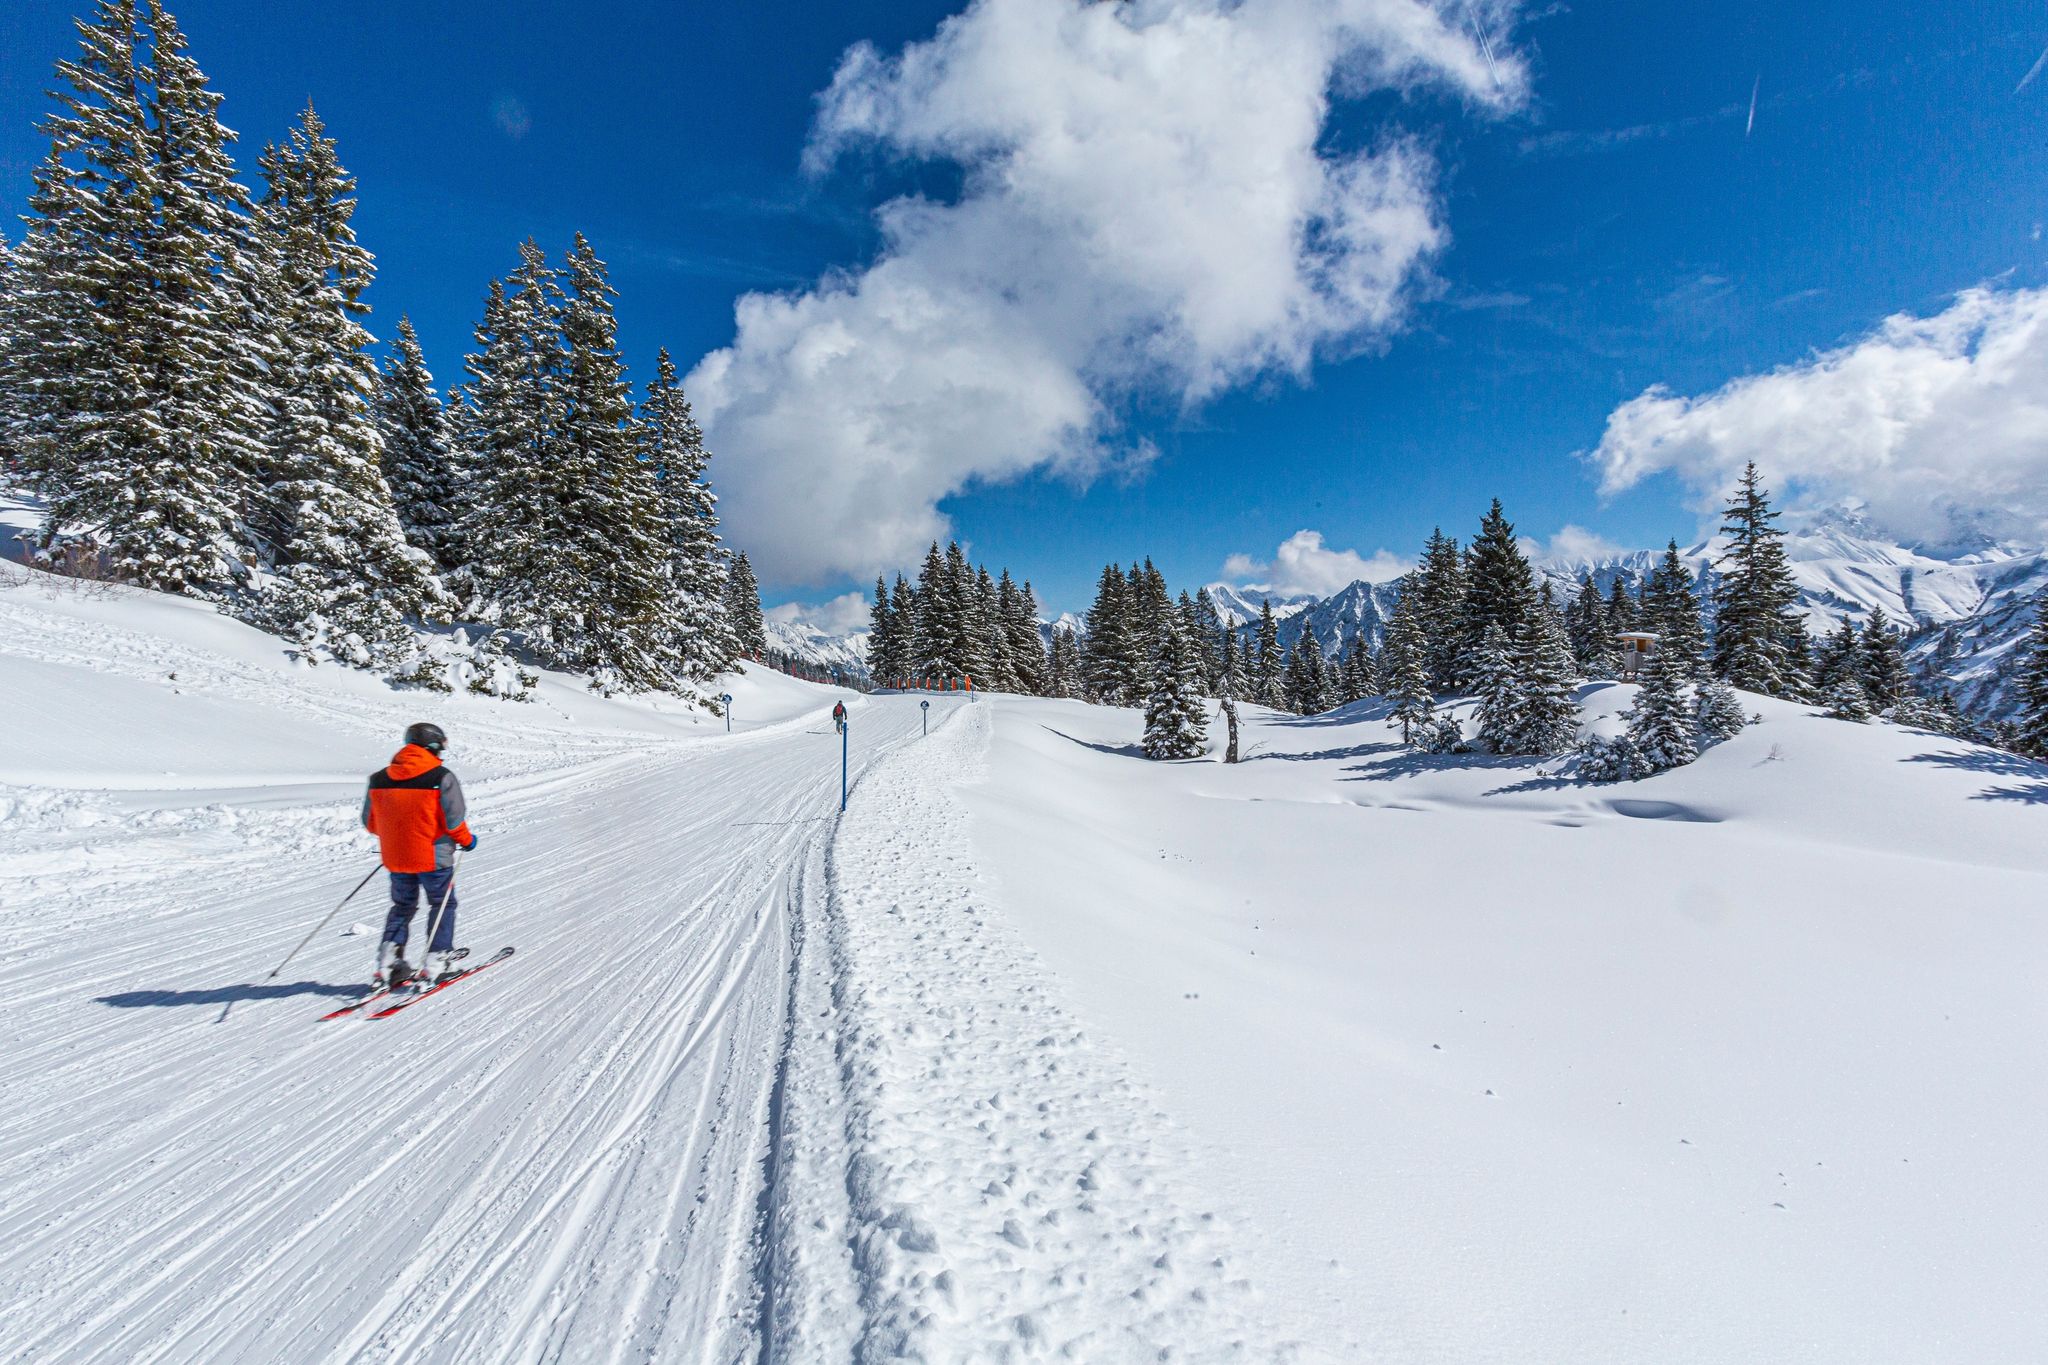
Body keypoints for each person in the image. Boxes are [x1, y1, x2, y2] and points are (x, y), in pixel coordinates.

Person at [362, 721, 477, 986]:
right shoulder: (440, 777)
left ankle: (389, 963)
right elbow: (453, 820)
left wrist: (400, 836)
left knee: (402, 906)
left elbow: (370, 822)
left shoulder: (379, 779)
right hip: (433, 858)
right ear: (433, 745)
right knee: (442, 903)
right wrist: (468, 841)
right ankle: (437, 961)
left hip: (397, 858)